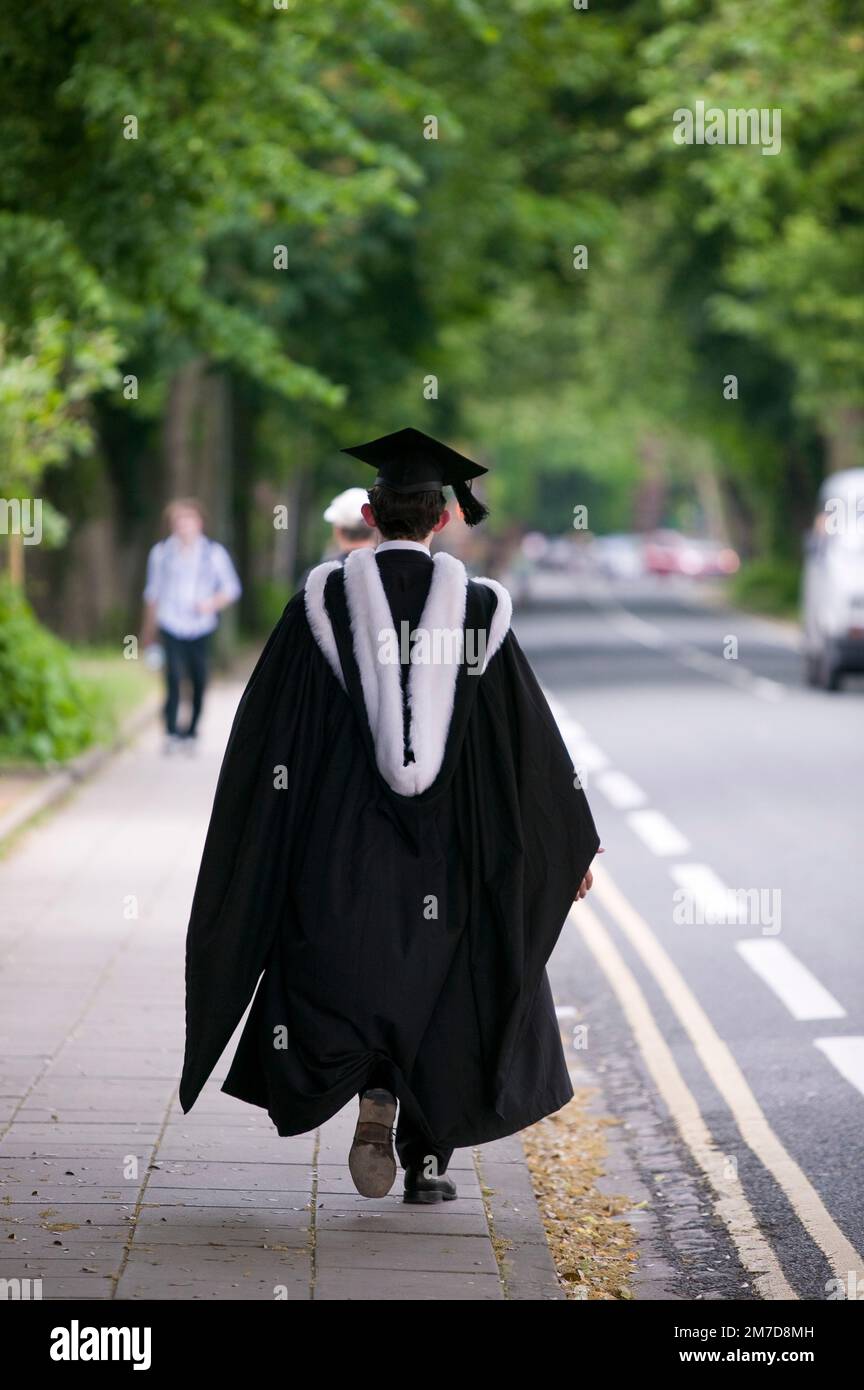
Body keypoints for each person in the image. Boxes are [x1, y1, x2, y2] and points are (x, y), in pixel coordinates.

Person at [178, 427, 599, 1204]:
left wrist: (263, 846)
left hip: (340, 851)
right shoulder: (480, 616)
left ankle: (374, 1101)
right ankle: (427, 1159)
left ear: (369, 514)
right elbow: (526, 749)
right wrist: (566, 849)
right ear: (441, 519)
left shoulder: (320, 608)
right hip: (452, 851)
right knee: (443, 982)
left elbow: (267, 741)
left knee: (357, 967)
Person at [142, 498, 242, 753]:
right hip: (170, 622)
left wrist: (211, 603)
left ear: (199, 523)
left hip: (201, 626)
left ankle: (191, 731)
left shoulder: (213, 553)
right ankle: (172, 732)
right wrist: (148, 631)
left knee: (199, 679)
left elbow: (231, 588)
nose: (184, 526)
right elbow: (153, 592)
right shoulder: (161, 553)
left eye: (189, 520)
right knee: (173, 678)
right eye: (179, 521)